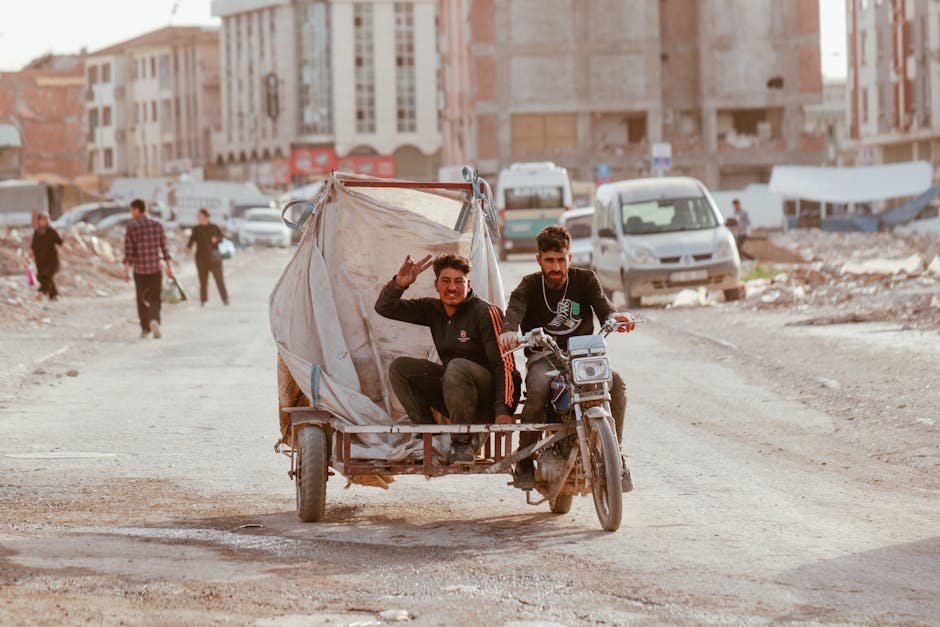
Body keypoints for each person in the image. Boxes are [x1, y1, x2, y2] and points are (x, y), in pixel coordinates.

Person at [499, 225, 636, 491]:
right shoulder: (528, 285)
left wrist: (615, 317)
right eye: (549, 260)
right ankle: (525, 460)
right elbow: (514, 310)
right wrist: (509, 331)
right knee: (538, 388)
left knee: (616, 384)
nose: (556, 267)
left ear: (569, 258)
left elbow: (603, 305)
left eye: (561, 259)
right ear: (539, 260)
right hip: (544, 356)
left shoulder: (585, 279)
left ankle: (615, 454)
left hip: (582, 355)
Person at [375, 253, 518, 463]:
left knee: (457, 367)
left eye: (459, 281)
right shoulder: (432, 309)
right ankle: (430, 437)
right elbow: (384, 308)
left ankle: (463, 444)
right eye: (446, 281)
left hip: (486, 400)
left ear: (468, 284)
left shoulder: (485, 312)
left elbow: (505, 364)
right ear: (436, 285)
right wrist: (399, 283)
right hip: (455, 393)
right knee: (400, 368)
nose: (452, 288)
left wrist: (503, 409)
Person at [123, 198, 173, 339]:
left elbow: (128, 252)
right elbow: (165, 248)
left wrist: (126, 271)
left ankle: (145, 329)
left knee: (141, 299)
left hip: (140, 270)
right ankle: (154, 319)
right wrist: (169, 267)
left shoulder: (132, 227)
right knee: (155, 298)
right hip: (156, 268)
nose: (131, 213)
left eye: (132, 210)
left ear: (137, 210)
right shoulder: (157, 225)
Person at [186, 208, 229, 306]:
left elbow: (222, 238)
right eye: (198, 216)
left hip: (214, 259)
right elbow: (191, 241)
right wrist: (188, 248)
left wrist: (217, 239)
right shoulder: (196, 229)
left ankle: (225, 299)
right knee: (203, 281)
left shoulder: (214, 227)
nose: (198, 218)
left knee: (219, 280)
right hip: (201, 259)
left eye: (200, 216)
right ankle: (203, 300)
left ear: (206, 216)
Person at [29, 212, 63, 301]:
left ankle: (42, 293)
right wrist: (30, 254)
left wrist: (71, 250)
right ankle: (53, 295)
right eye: (41, 220)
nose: (43, 222)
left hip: (51, 260)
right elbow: (33, 245)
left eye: (45, 220)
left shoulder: (51, 231)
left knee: (48, 277)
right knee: (41, 277)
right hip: (40, 260)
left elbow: (60, 242)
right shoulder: (37, 232)